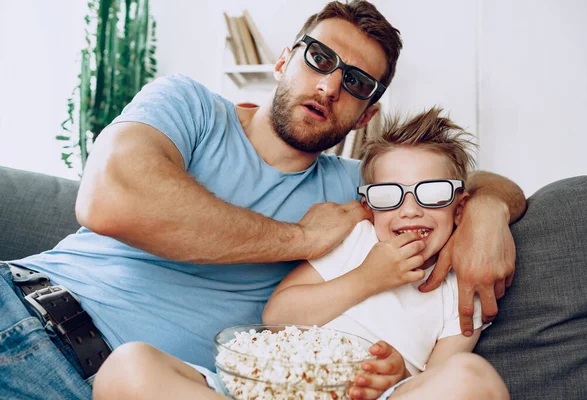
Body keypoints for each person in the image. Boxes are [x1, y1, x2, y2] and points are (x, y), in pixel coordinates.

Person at [0, 1, 525, 398]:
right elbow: (108, 200)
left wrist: (484, 211)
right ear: (283, 60)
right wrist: (300, 237)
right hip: (20, 306)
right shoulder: (191, 108)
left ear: (366, 116)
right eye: (319, 58)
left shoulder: (368, 193)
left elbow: (474, 185)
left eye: (357, 82)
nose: (329, 86)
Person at [91, 108, 510, 400]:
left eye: (432, 193)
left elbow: (441, 378)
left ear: (460, 206)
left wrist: (399, 375)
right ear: (368, 204)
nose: (410, 208)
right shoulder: (355, 240)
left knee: (475, 381)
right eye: (389, 195)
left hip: (377, 395)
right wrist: (367, 277)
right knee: (128, 367)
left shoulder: (464, 287)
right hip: (273, 385)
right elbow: (277, 316)